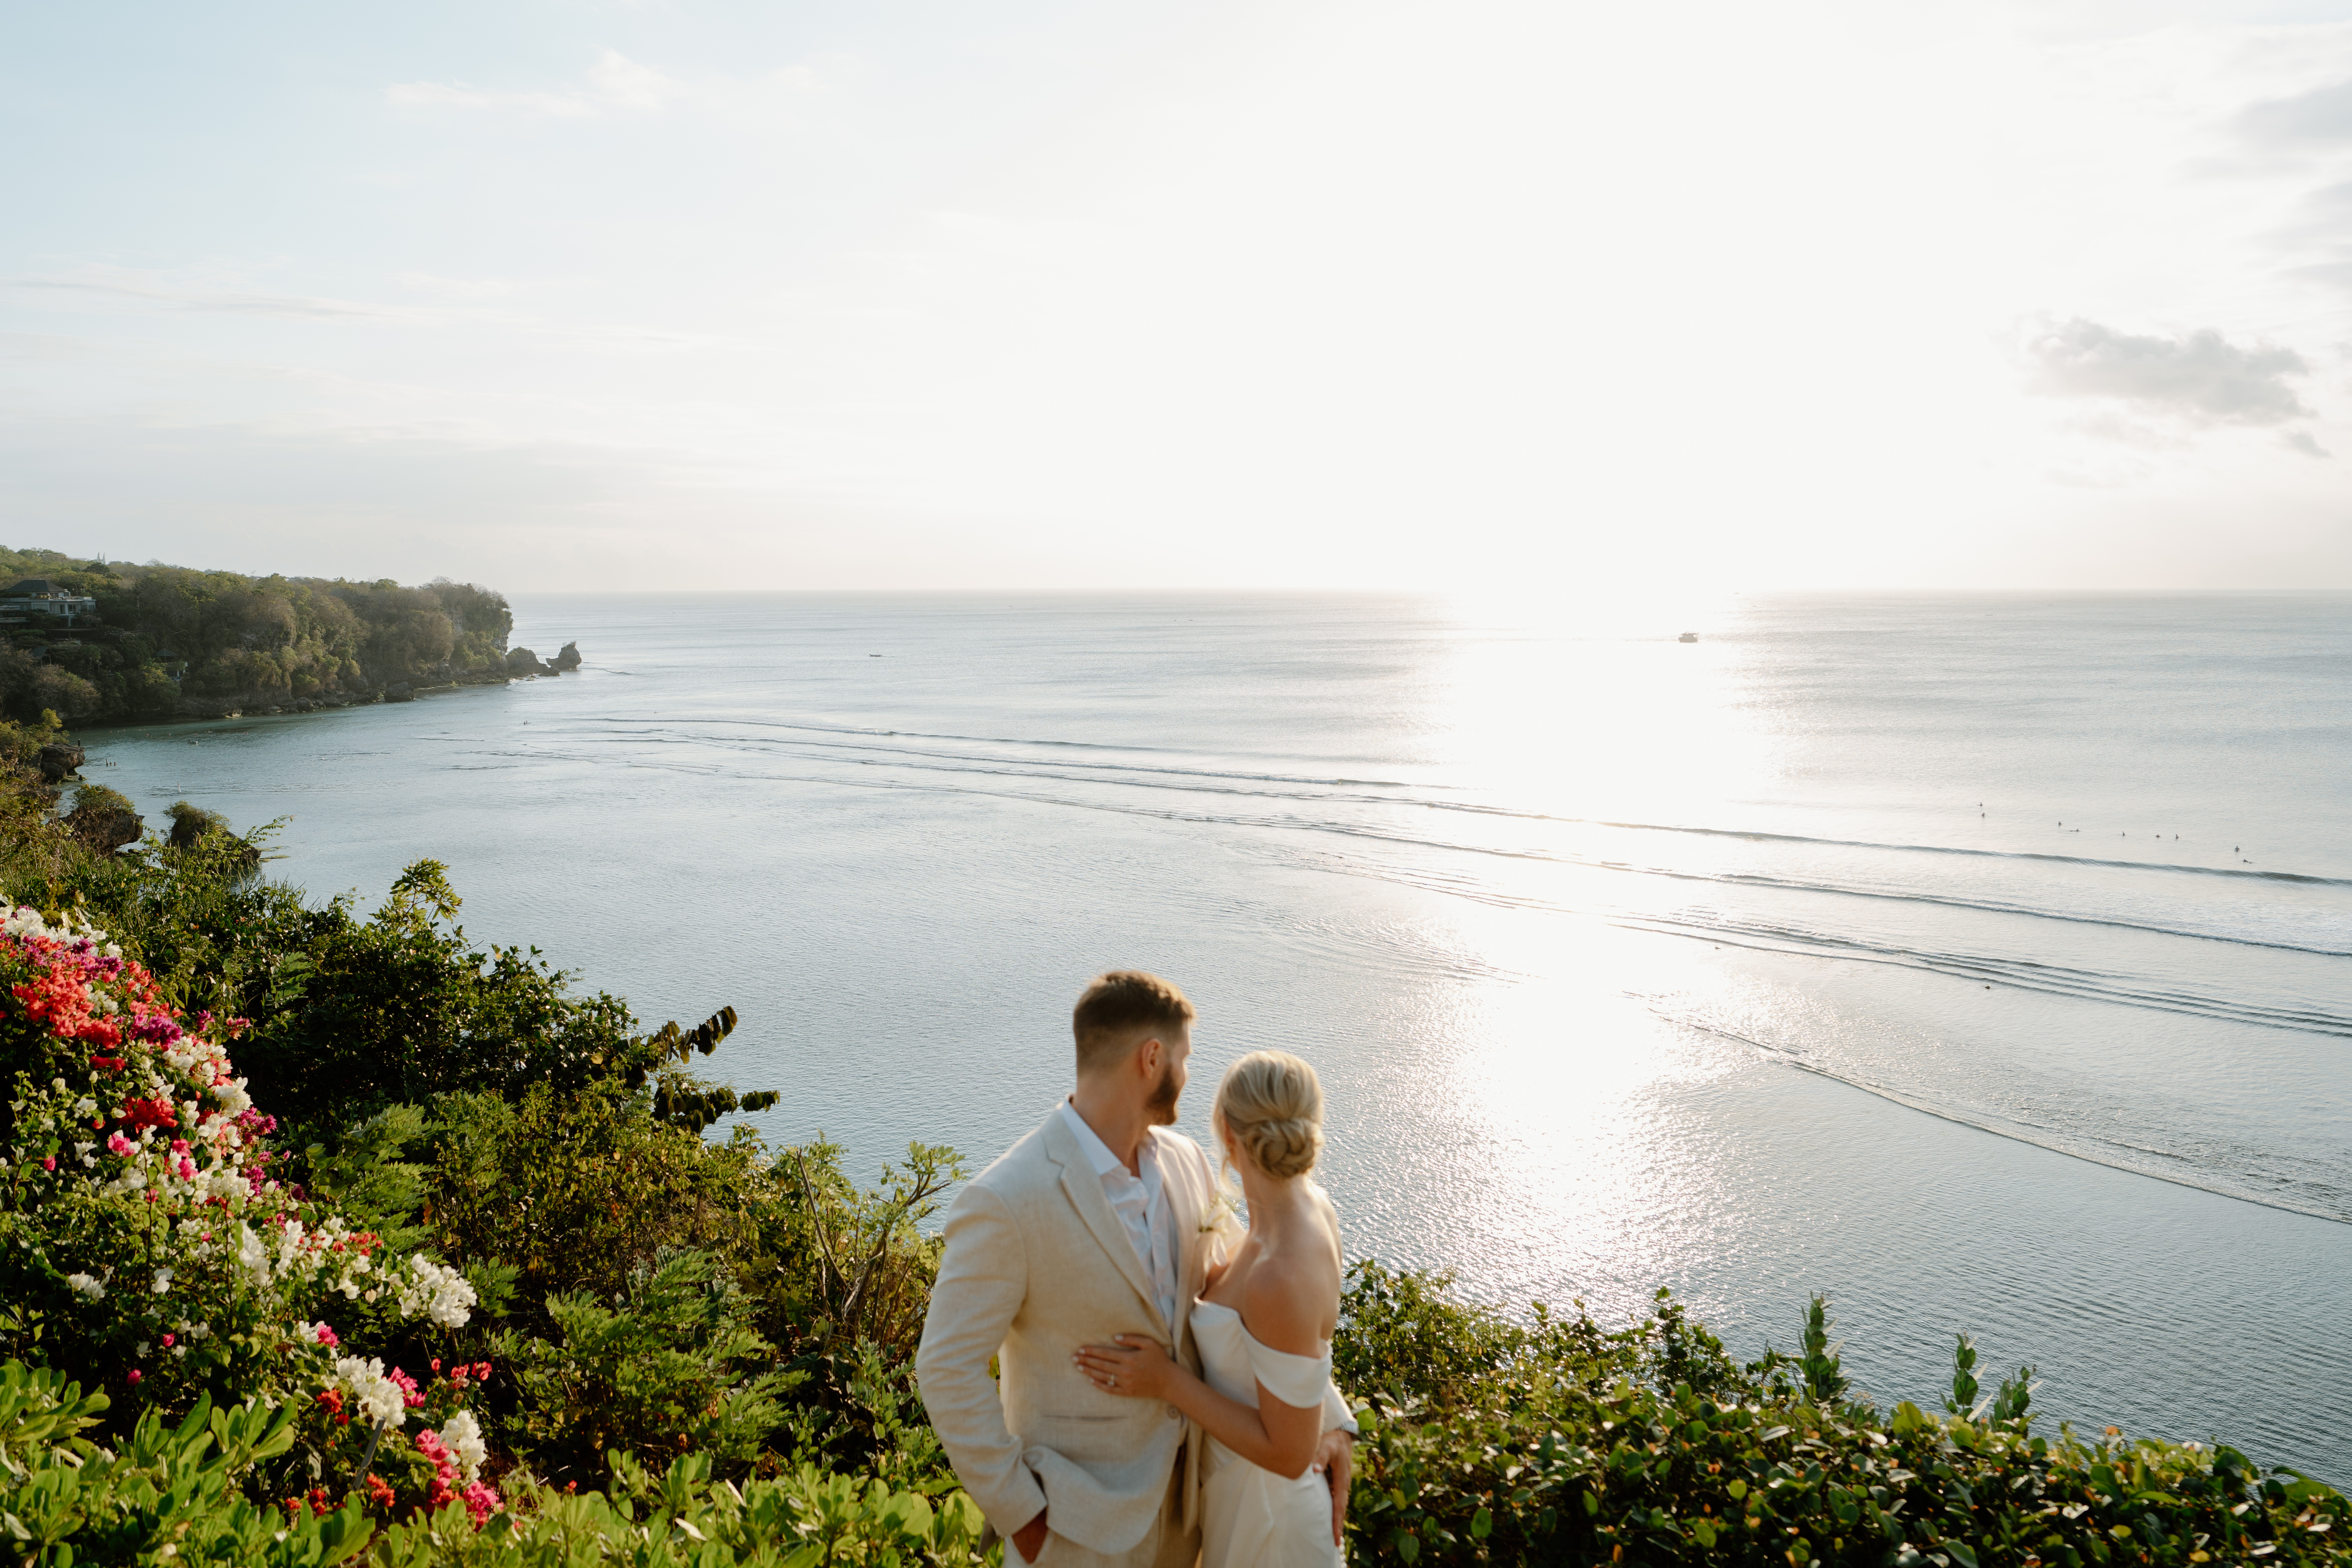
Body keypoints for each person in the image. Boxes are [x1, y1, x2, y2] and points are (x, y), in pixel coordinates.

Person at [916, 973, 1355, 1568]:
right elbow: (945, 1366)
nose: (1189, 1075)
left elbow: (1260, 1302)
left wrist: (1328, 1420)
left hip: (1188, 1524)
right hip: (1072, 1531)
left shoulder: (1185, 1162)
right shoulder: (1007, 1198)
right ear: (1152, 1058)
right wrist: (1021, 1515)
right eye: (1184, 1058)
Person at [1075, 1050, 1346, 1568]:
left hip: (1268, 1518)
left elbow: (1291, 1454)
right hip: (1240, 1495)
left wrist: (1167, 1381)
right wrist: (1339, 1423)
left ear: (1225, 1130)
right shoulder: (1310, 1210)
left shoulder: (1276, 1273)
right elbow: (1301, 1354)